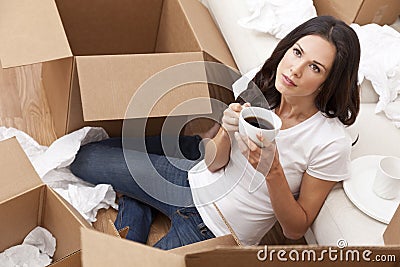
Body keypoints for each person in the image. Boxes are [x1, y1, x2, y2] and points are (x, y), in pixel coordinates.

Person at [70, 15, 360, 249]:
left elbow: (295, 229)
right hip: (187, 180)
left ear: (328, 82)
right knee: (84, 159)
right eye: (297, 52)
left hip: (215, 232)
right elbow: (213, 162)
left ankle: (136, 208)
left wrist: (273, 172)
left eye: (314, 67)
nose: (295, 69)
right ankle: (143, 202)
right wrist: (226, 129)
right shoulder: (265, 83)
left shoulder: (330, 143)